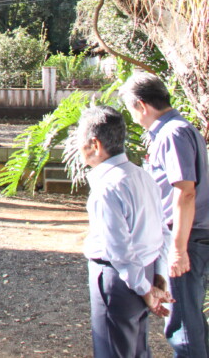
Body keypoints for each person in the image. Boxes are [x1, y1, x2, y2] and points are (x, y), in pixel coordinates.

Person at [120, 72, 209, 357]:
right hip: (187, 236)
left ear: (142, 106)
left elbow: (185, 192)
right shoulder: (177, 130)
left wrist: (178, 250)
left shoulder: (173, 133)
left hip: (186, 237)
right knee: (191, 320)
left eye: (130, 109)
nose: (132, 117)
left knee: (182, 323)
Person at [73, 105, 172, 357]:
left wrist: (145, 290)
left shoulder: (107, 188)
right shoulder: (143, 176)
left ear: (94, 144)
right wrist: (157, 279)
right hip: (145, 273)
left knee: (114, 350)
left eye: (79, 140)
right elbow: (162, 232)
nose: (78, 147)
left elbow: (119, 249)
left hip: (118, 280)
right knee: (137, 350)